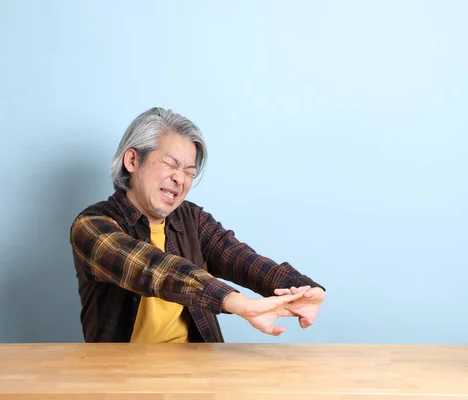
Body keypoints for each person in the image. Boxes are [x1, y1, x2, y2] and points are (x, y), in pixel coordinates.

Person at [70, 107, 325, 343]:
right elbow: (153, 269)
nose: (179, 178)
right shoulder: (91, 226)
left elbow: (240, 258)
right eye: (170, 163)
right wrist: (236, 303)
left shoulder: (192, 219)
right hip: (122, 378)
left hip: (197, 372)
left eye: (189, 172)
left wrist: (303, 290)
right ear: (133, 161)